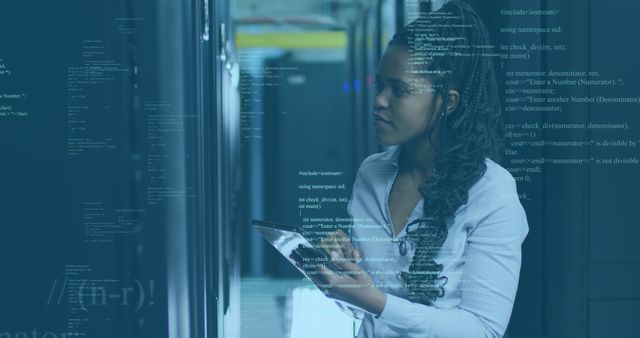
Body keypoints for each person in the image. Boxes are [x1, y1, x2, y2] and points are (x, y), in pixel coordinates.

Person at [294, 1, 529, 337]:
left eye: (399, 90)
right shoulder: (371, 175)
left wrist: (377, 302)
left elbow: (483, 329)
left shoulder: (491, 190)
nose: (379, 100)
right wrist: (341, 273)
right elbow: (362, 307)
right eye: (380, 86)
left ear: (447, 102)